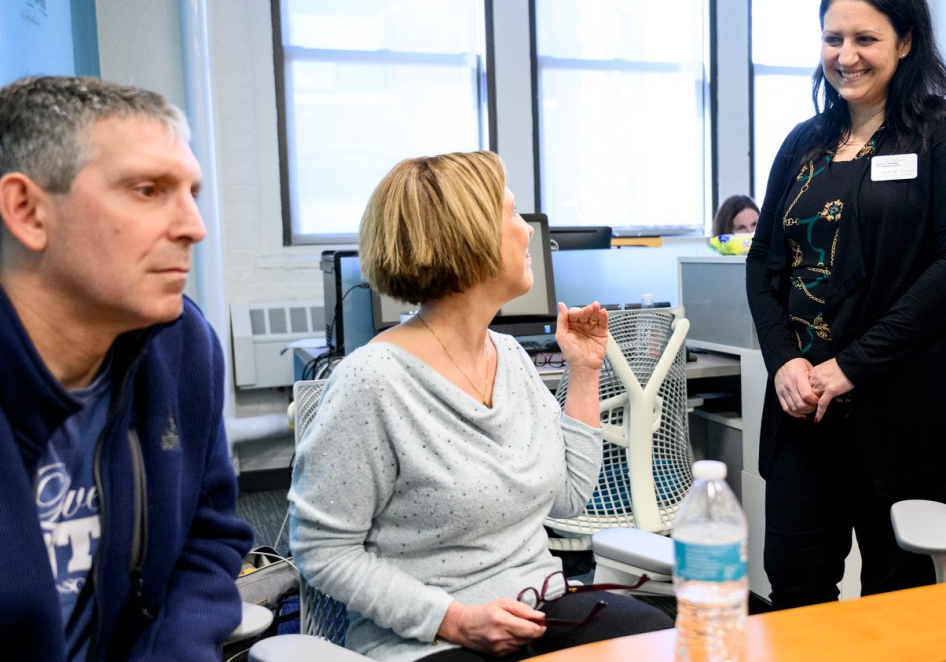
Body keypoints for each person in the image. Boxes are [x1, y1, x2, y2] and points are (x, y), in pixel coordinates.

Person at [288, 151, 672, 661]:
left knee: (654, 636)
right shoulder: (372, 380)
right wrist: (455, 619)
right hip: (427, 639)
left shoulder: (509, 356)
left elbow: (570, 497)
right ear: (467, 237)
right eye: (512, 214)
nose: (529, 231)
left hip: (537, 610)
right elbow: (322, 551)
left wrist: (583, 369)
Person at [745, 0, 946, 609]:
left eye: (866, 39)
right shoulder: (805, 143)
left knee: (901, 601)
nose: (846, 55)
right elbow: (765, 262)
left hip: (907, 411)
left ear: (905, 40)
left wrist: (848, 367)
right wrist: (786, 364)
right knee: (796, 593)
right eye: (834, 38)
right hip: (805, 412)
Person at [0, 76, 252, 660]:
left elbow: (206, 539)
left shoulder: (181, 345)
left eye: (192, 193)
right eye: (147, 190)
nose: (194, 226)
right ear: (27, 210)